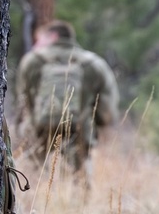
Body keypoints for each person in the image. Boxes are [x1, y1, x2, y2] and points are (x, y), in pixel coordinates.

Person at [16, 20, 119, 176]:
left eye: (39, 40)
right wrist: (95, 126)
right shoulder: (95, 64)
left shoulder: (32, 61)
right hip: (79, 130)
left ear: (53, 36)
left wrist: (25, 126)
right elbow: (107, 109)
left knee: (32, 178)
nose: (36, 45)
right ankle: (78, 198)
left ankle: (32, 197)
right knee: (79, 181)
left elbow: (24, 101)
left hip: (39, 129)